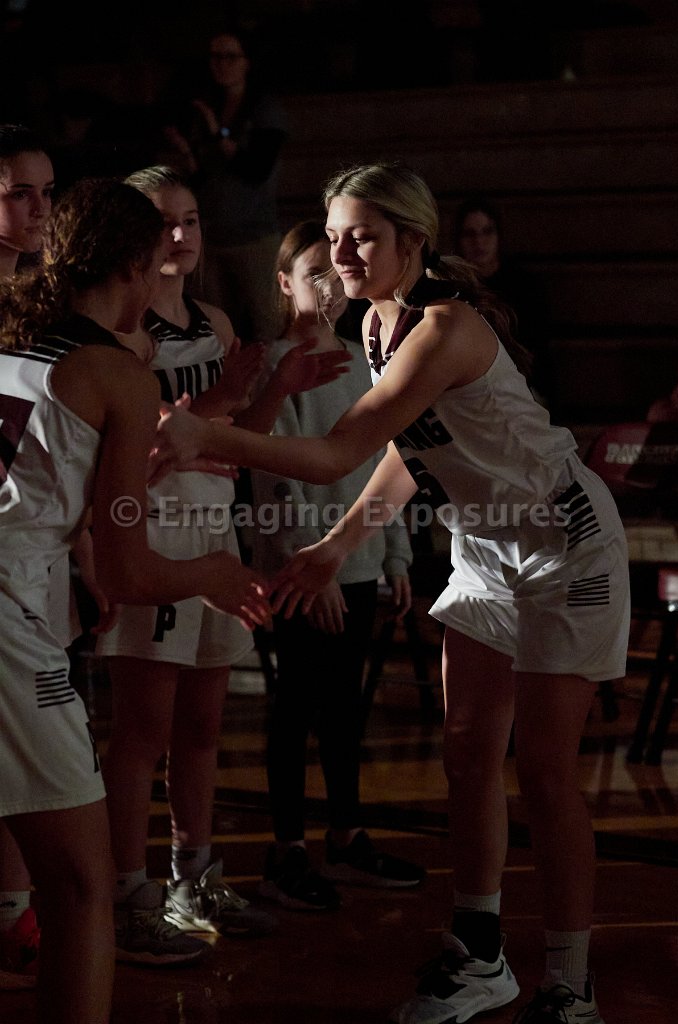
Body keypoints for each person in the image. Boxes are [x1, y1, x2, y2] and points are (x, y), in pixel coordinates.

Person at [149, 161, 631, 1024]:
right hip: (485, 544)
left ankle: (570, 985)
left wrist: (205, 435)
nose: (341, 254)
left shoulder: (444, 327)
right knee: (466, 754)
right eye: (333, 237)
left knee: (544, 772)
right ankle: (480, 956)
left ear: (413, 239)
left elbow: (337, 451)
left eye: (361, 237)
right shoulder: (377, 322)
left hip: (565, 545)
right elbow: (410, 450)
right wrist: (337, 544)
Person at [0, 175, 272, 1024]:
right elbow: (129, 572)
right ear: (132, 265)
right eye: (157, 261)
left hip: (23, 595)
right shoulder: (116, 375)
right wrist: (212, 574)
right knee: (82, 887)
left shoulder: (13, 338)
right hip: (7, 618)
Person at [94, 166, 350, 961]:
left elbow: (237, 443)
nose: (180, 235)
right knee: (142, 729)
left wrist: (275, 388)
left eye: (192, 219)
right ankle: (126, 890)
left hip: (214, 532)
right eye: (163, 221)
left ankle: (192, 878)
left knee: (203, 725)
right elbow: (141, 452)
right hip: (149, 534)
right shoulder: (120, 330)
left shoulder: (211, 319)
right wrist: (212, 408)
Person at [249, 220, 424, 911]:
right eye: (311, 273)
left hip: (356, 561)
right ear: (283, 283)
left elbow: (393, 458)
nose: (327, 286)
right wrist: (305, 562)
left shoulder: (366, 355)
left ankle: (346, 835)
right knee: (296, 704)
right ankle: (286, 848)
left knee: (345, 708)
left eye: (334, 271)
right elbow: (274, 477)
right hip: (302, 567)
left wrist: (396, 554)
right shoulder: (273, 365)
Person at [0, 122, 54, 992]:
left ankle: (13, 908)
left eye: (48, 191)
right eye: (19, 192)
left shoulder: (46, 301)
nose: (40, 208)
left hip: (38, 545)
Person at [159, 22, 288, 343]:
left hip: (254, 234)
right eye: (215, 57)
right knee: (216, 326)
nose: (221, 64)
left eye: (230, 56)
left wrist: (218, 133)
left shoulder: (264, 108)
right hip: (213, 234)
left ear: (247, 61)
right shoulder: (206, 108)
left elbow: (255, 170)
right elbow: (202, 178)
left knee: (268, 323)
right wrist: (186, 151)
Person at [453, 193, 551, 403]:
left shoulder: (524, 286)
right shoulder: (454, 288)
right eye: (470, 234)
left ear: (498, 235)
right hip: (468, 387)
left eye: (487, 232)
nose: (479, 242)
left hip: (518, 385)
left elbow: (537, 348)